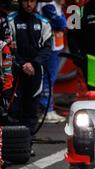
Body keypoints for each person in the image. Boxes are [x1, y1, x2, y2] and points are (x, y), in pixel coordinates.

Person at [8, 0, 52, 154]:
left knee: (31, 109)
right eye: (25, 1)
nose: (28, 4)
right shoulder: (10, 20)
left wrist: (33, 64)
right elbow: (7, 46)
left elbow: (47, 48)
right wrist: (21, 64)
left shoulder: (44, 22)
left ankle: (27, 144)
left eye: (32, 1)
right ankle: (13, 147)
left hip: (35, 72)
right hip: (14, 72)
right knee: (13, 109)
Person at [38, 0, 67, 123]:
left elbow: (63, 23)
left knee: (51, 78)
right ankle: (46, 111)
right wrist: (61, 20)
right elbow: (61, 23)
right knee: (48, 78)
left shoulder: (57, 6)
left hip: (56, 47)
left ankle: (49, 109)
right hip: (50, 47)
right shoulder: (47, 5)